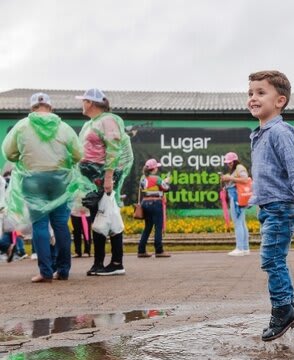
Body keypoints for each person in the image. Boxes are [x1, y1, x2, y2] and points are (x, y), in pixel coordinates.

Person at [247, 70, 294, 342]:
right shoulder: (260, 133)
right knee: (275, 259)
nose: (253, 98)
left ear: (280, 101)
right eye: (250, 93)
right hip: (269, 207)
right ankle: (289, 307)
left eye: (260, 93)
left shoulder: (280, 131)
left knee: (272, 260)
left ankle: (282, 311)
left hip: (280, 206)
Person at [2, 92, 82, 282]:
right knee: (61, 224)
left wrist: (23, 157)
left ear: (32, 108)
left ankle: (45, 272)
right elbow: (78, 154)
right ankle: (63, 270)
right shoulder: (64, 128)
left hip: (33, 179)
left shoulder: (22, 126)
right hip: (60, 180)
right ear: (51, 108)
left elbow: (9, 153)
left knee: (40, 224)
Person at [76, 88, 134, 276]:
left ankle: (114, 262)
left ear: (91, 103)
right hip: (94, 178)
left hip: (104, 177)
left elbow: (113, 148)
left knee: (104, 217)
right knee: (101, 216)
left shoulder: (108, 120)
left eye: (83, 101)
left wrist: (108, 177)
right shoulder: (92, 123)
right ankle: (101, 262)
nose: (81, 104)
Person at [137, 158, 171, 258]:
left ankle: (141, 250)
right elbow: (166, 188)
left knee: (147, 227)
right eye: (157, 167)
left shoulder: (143, 178)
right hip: (156, 203)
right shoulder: (157, 178)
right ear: (154, 169)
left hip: (145, 203)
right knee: (158, 227)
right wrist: (166, 181)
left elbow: (146, 188)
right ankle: (159, 250)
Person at [220, 152, 250, 256]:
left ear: (234, 161)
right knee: (242, 223)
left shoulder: (240, 167)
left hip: (237, 197)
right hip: (238, 197)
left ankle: (240, 248)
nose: (228, 164)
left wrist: (230, 178)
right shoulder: (236, 169)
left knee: (238, 223)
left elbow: (245, 179)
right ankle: (245, 248)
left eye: (230, 162)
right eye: (227, 163)